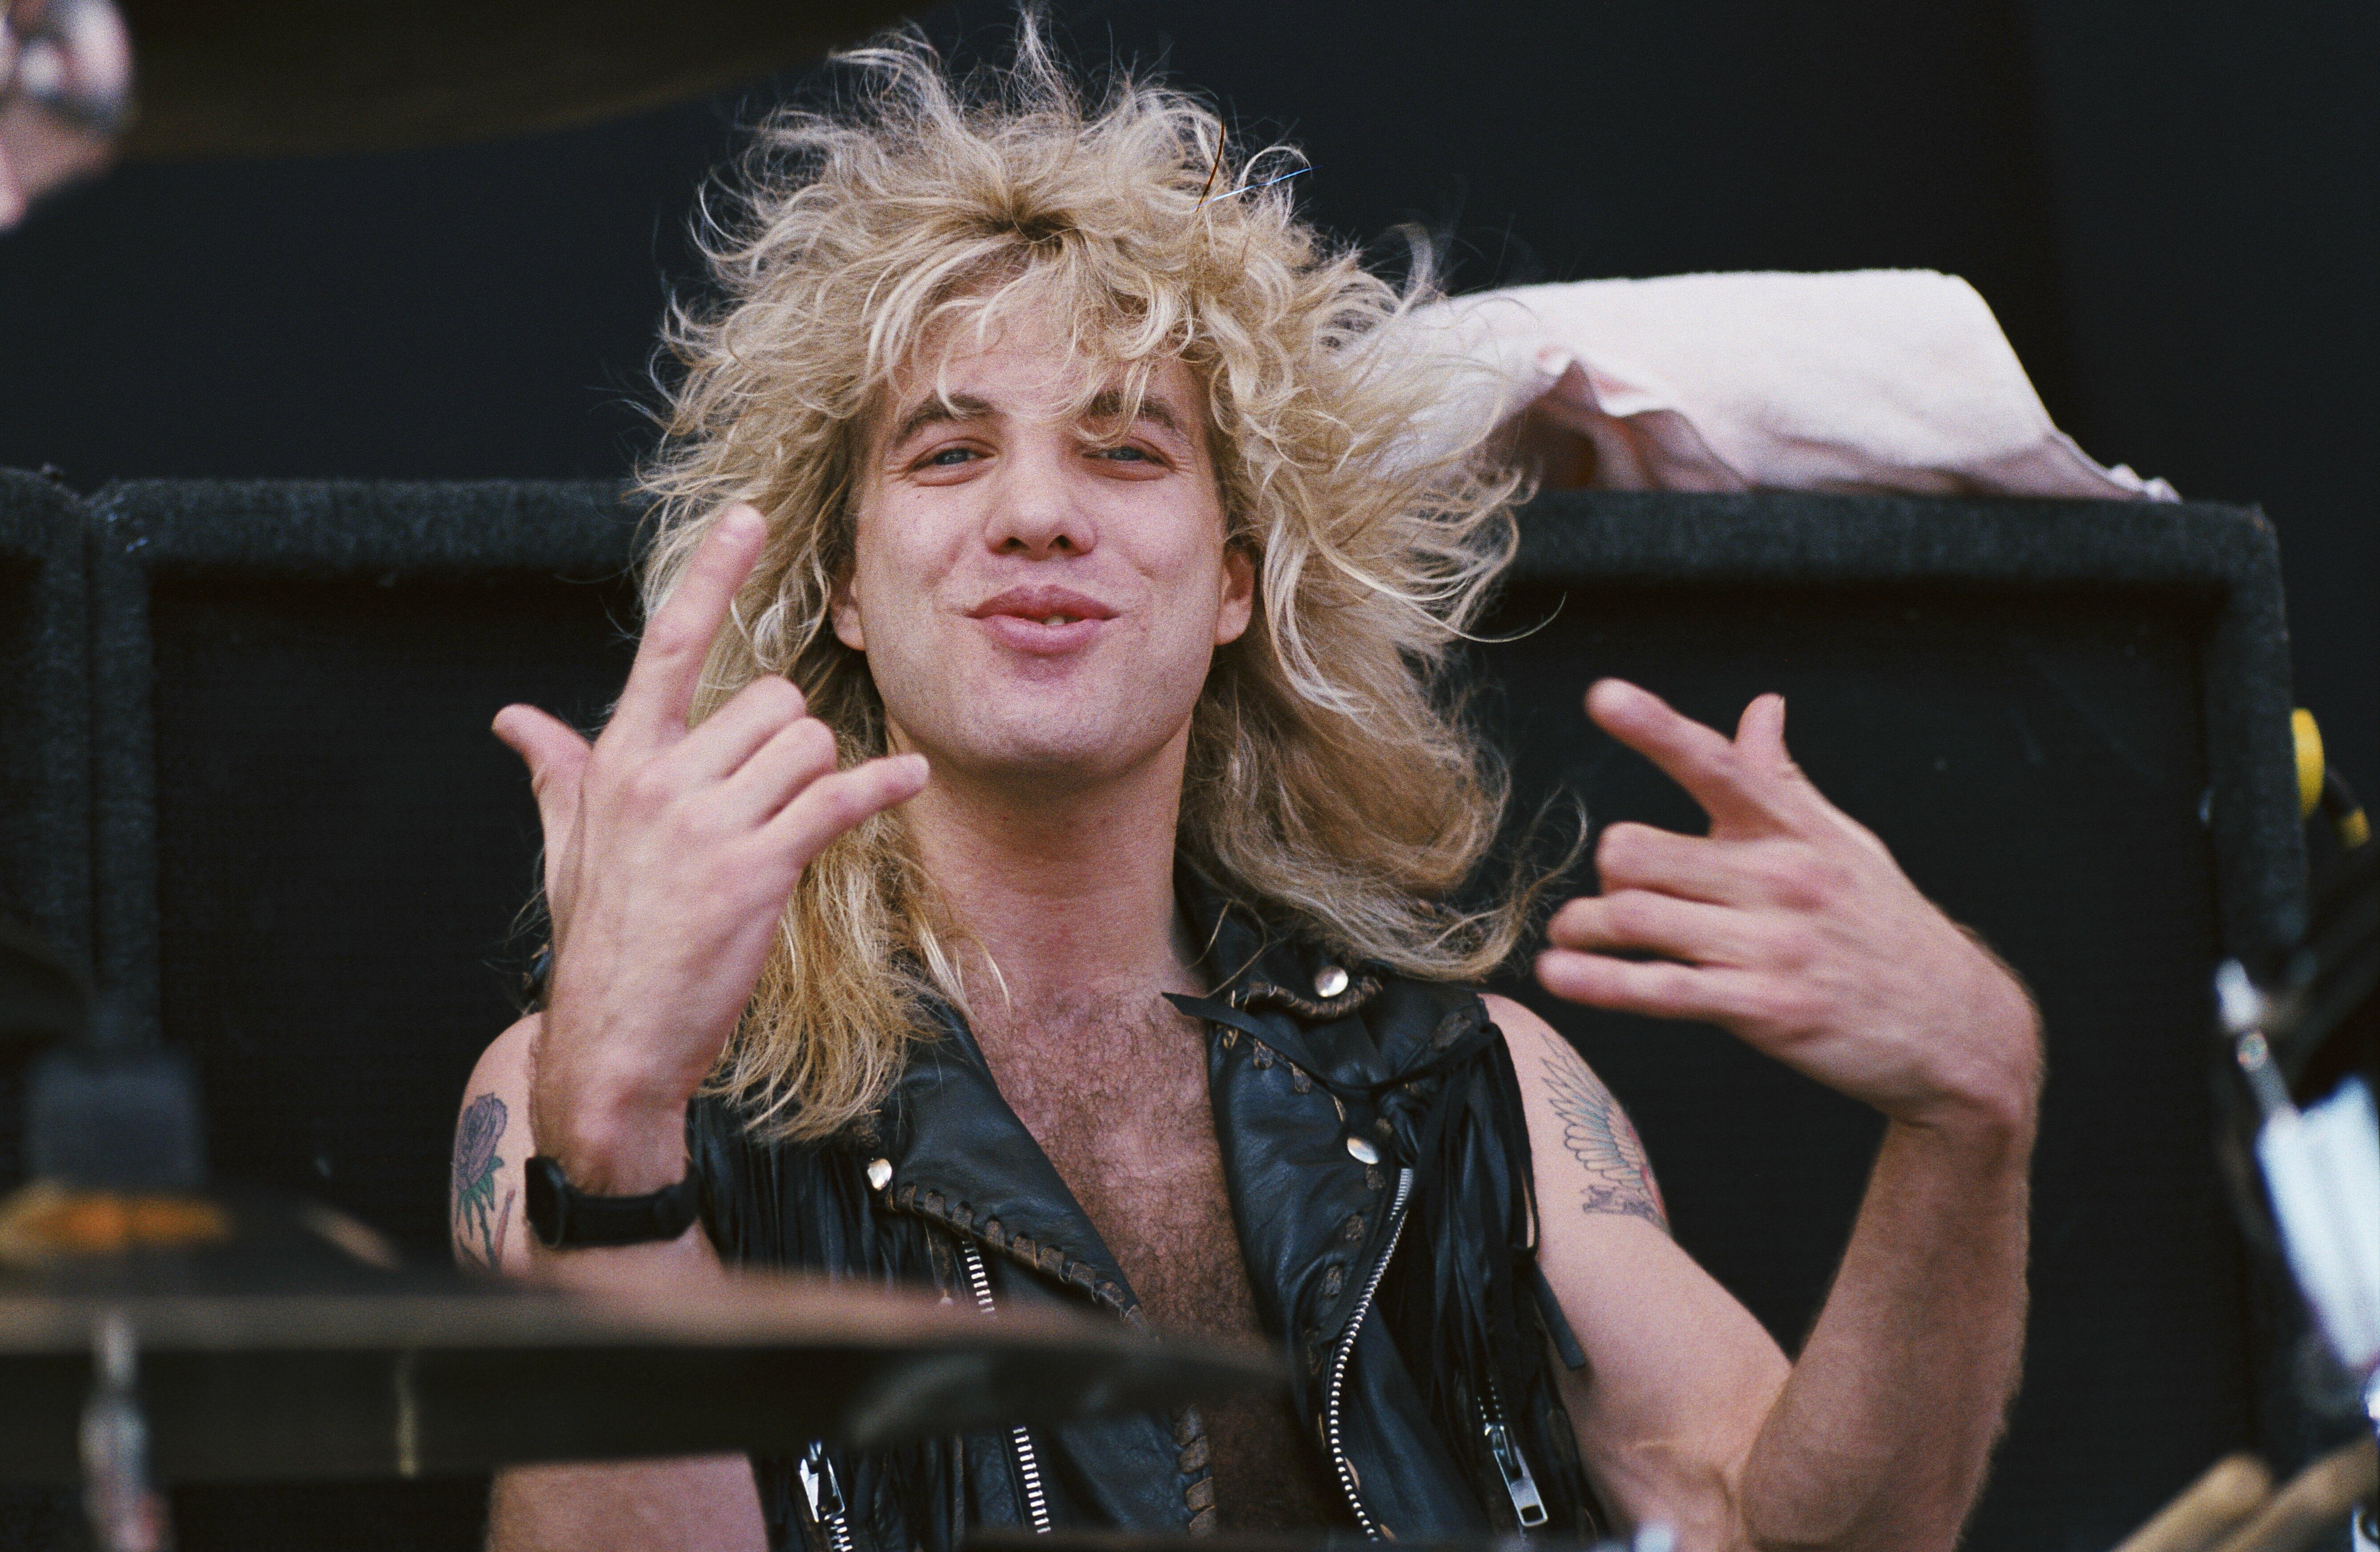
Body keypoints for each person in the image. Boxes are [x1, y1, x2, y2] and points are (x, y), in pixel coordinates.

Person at [453, 23, 2041, 1552]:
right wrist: (616, 1143)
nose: (1037, 512)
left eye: (1126, 448)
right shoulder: (597, 1094)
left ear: (1233, 581)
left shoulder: (1464, 1083)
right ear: (844, 587)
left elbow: (1780, 1529)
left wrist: (1967, 1114)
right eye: (947, 453)